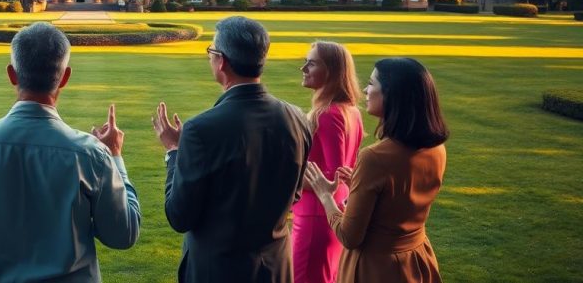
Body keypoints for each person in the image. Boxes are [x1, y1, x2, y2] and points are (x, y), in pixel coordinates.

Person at [0, 22, 141, 282]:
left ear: (12, 74)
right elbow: (123, 235)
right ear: (64, 77)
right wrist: (115, 157)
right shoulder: (92, 155)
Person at [153, 16, 311, 283]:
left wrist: (174, 151)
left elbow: (179, 216)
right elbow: (294, 194)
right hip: (275, 268)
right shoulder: (297, 118)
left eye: (211, 52)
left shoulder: (201, 130)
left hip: (219, 270)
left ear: (222, 61)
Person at [305, 57, 448, 283]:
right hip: (417, 260)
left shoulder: (374, 158)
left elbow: (350, 236)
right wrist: (359, 188)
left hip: (376, 268)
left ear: (392, 96)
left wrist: (325, 195)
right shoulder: (437, 149)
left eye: (371, 83)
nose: (365, 89)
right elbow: (399, 205)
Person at [293, 41, 364, 283]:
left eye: (311, 63)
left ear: (331, 71)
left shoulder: (328, 114)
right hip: (331, 211)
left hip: (317, 216)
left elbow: (332, 178)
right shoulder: (350, 110)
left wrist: (284, 177)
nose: (303, 68)